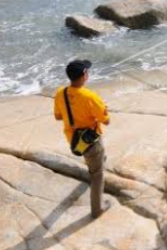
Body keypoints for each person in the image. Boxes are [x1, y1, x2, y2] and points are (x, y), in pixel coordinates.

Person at [53, 59, 111, 218]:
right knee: (97, 175)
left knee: (94, 159)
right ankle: (97, 209)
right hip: (91, 140)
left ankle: (95, 164)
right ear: (85, 75)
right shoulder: (90, 96)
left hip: (73, 139)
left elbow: (58, 117)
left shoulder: (60, 93)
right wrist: (104, 109)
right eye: (87, 71)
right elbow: (106, 121)